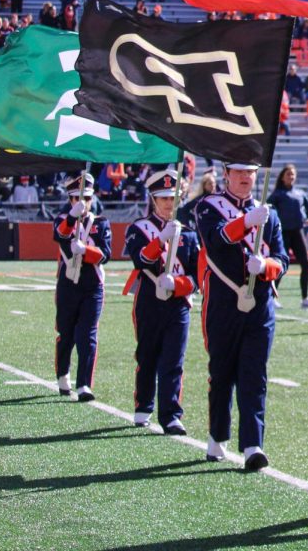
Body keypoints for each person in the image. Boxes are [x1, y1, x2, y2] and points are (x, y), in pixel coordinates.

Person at [194, 162, 288, 470]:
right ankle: (217, 435)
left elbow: (282, 259)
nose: (246, 178)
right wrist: (246, 222)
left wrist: (267, 267)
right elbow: (216, 240)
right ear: (226, 175)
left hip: (260, 303)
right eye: (239, 172)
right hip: (223, 299)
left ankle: (252, 444)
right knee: (222, 373)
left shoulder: (268, 212)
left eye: (250, 173)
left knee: (254, 374)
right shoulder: (208, 206)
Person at [123, 168, 198, 433]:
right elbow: (140, 259)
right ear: (153, 199)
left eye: (173, 197)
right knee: (148, 356)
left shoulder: (189, 233)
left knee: (174, 360)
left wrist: (178, 284)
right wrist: (161, 239)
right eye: (163, 197)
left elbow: (197, 276)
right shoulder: (139, 228)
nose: (169, 203)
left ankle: (171, 415)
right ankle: (144, 404)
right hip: (149, 301)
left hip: (178, 304)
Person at [52, 173, 111, 401]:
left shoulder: (101, 223)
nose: (82, 202)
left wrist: (86, 250)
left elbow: (105, 255)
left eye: (86, 197)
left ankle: (84, 384)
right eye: (77, 198)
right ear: (70, 199)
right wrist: (70, 219)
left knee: (88, 334)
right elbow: (60, 234)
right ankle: (62, 374)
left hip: (92, 284)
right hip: (68, 284)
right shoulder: (61, 219)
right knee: (66, 333)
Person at [268, 163, 308, 309]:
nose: (291, 177)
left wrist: (301, 217)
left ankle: (305, 298)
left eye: (293, 174)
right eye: (288, 174)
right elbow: (268, 210)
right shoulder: (277, 194)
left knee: (306, 263)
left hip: (297, 231)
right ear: (282, 177)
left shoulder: (300, 193)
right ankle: (272, 296)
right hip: (283, 233)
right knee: (280, 264)